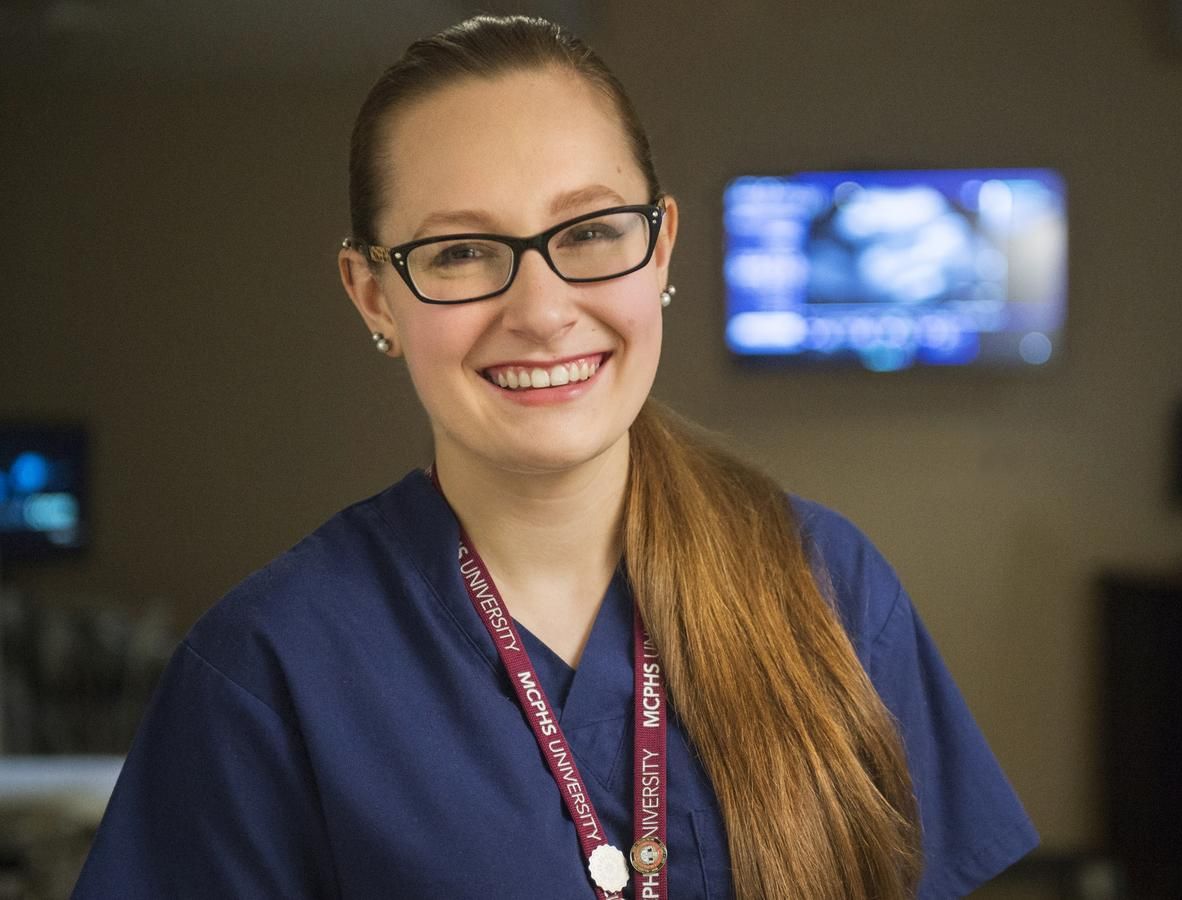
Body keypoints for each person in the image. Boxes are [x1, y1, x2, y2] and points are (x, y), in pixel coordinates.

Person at [72, 14, 1037, 900]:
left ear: (658, 251)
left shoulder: (828, 590)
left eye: (591, 232)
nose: (540, 312)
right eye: (458, 252)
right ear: (374, 297)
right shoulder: (269, 670)